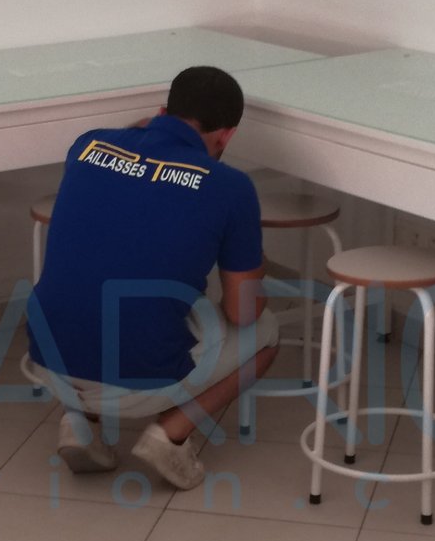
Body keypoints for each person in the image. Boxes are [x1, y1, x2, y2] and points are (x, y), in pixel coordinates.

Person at [23, 65, 280, 490]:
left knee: (99, 286)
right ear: (227, 135)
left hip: (46, 358)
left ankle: (80, 425)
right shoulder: (230, 187)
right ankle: (169, 436)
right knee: (265, 333)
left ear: (161, 111)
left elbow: (138, 145)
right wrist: (255, 264)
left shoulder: (88, 145)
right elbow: (243, 312)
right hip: (137, 380)